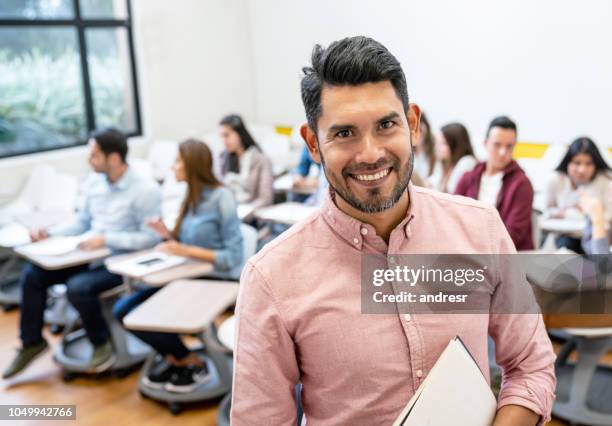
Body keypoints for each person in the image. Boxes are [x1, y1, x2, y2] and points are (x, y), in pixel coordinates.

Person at [231, 36, 555, 425]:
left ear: (412, 124)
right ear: (313, 144)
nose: (370, 153)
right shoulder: (272, 278)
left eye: (386, 124)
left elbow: (531, 365)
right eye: (344, 133)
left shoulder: (480, 229)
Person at [3, 129, 161, 379]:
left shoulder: (145, 191)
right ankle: (31, 342)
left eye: (95, 155)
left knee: (78, 287)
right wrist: (51, 233)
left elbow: (151, 239)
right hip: (88, 255)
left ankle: (101, 342)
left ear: (114, 159)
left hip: (121, 262)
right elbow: (82, 221)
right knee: (33, 276)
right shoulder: (95, 183)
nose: (90, 160)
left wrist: (107, 239)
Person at [113, 139, 243, 392]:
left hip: (216, 280)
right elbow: (185, 243)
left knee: (141, 312)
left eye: (177, 161)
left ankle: (189, 362)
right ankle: (181, 358)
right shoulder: (191, 197)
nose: (173, 167)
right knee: (124, 310)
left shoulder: (222, 197)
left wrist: (184, 249)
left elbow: (233, 257)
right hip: (187, 277)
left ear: (192, 164)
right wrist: (167, 235)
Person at [454, 116, 535, 250]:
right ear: (485, 143)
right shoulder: (468, 178)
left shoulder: (522, 184)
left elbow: (513, 234)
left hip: (506, 258)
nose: (503, 152)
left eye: (509, 146)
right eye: (497, 145)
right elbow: (452, 217)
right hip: (468, 252)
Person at [545, 137, 612, 253]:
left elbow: (607, 217)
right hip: (564, 237)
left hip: (594, 238)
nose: (582, 169)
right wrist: (571, 213)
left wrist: (592, 214)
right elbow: (547, 212)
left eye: (588, 163)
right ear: (568, 162)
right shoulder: (555, 180)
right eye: (577, 163)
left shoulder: (606, 182)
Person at [219, 114, 274, 208]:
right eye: (222, 136)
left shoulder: (261, 160)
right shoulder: (223, 158)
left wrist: (244, 211)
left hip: (252, 215)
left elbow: (265, 199)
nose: (224, 141)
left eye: (227, 135)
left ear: (239, 133)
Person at [427, 122, 476, 193]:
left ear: (456, 145)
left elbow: (454, 191)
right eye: (437, 143)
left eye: (443, 144)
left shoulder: (467, 162)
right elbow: (431, 182)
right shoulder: (443, 163)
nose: (437, 148)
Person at [412, 112, 435, 179]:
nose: (418, 134)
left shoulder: (435, 149)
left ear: (427, 127)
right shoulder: (409, 153)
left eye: (420, 130)